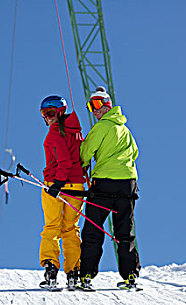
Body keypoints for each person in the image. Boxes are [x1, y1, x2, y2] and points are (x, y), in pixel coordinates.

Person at [78, 86, 141, 290]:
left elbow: (86, 150)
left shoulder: (102, 126)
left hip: (104, 182)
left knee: (94, 228)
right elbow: (135, 152)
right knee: (124, 229)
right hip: (128, 184)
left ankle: (86, 274)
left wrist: (85, 161)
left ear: (107, 105)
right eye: (91, 106)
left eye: (96, 104)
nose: (94, 110)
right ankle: (130, 275)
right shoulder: (125, 129)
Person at [38, 95, 86, 289]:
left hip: (55, 184)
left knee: (52, 226)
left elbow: (64, 161)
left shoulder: (55, 133)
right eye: (44, 114)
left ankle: (51, 268)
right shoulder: (77, 132)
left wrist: (57, 182)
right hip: (75, 187)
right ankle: (73, 271)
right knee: (70, 228)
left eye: (50, 113)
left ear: (60, 111)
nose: (47, 118)